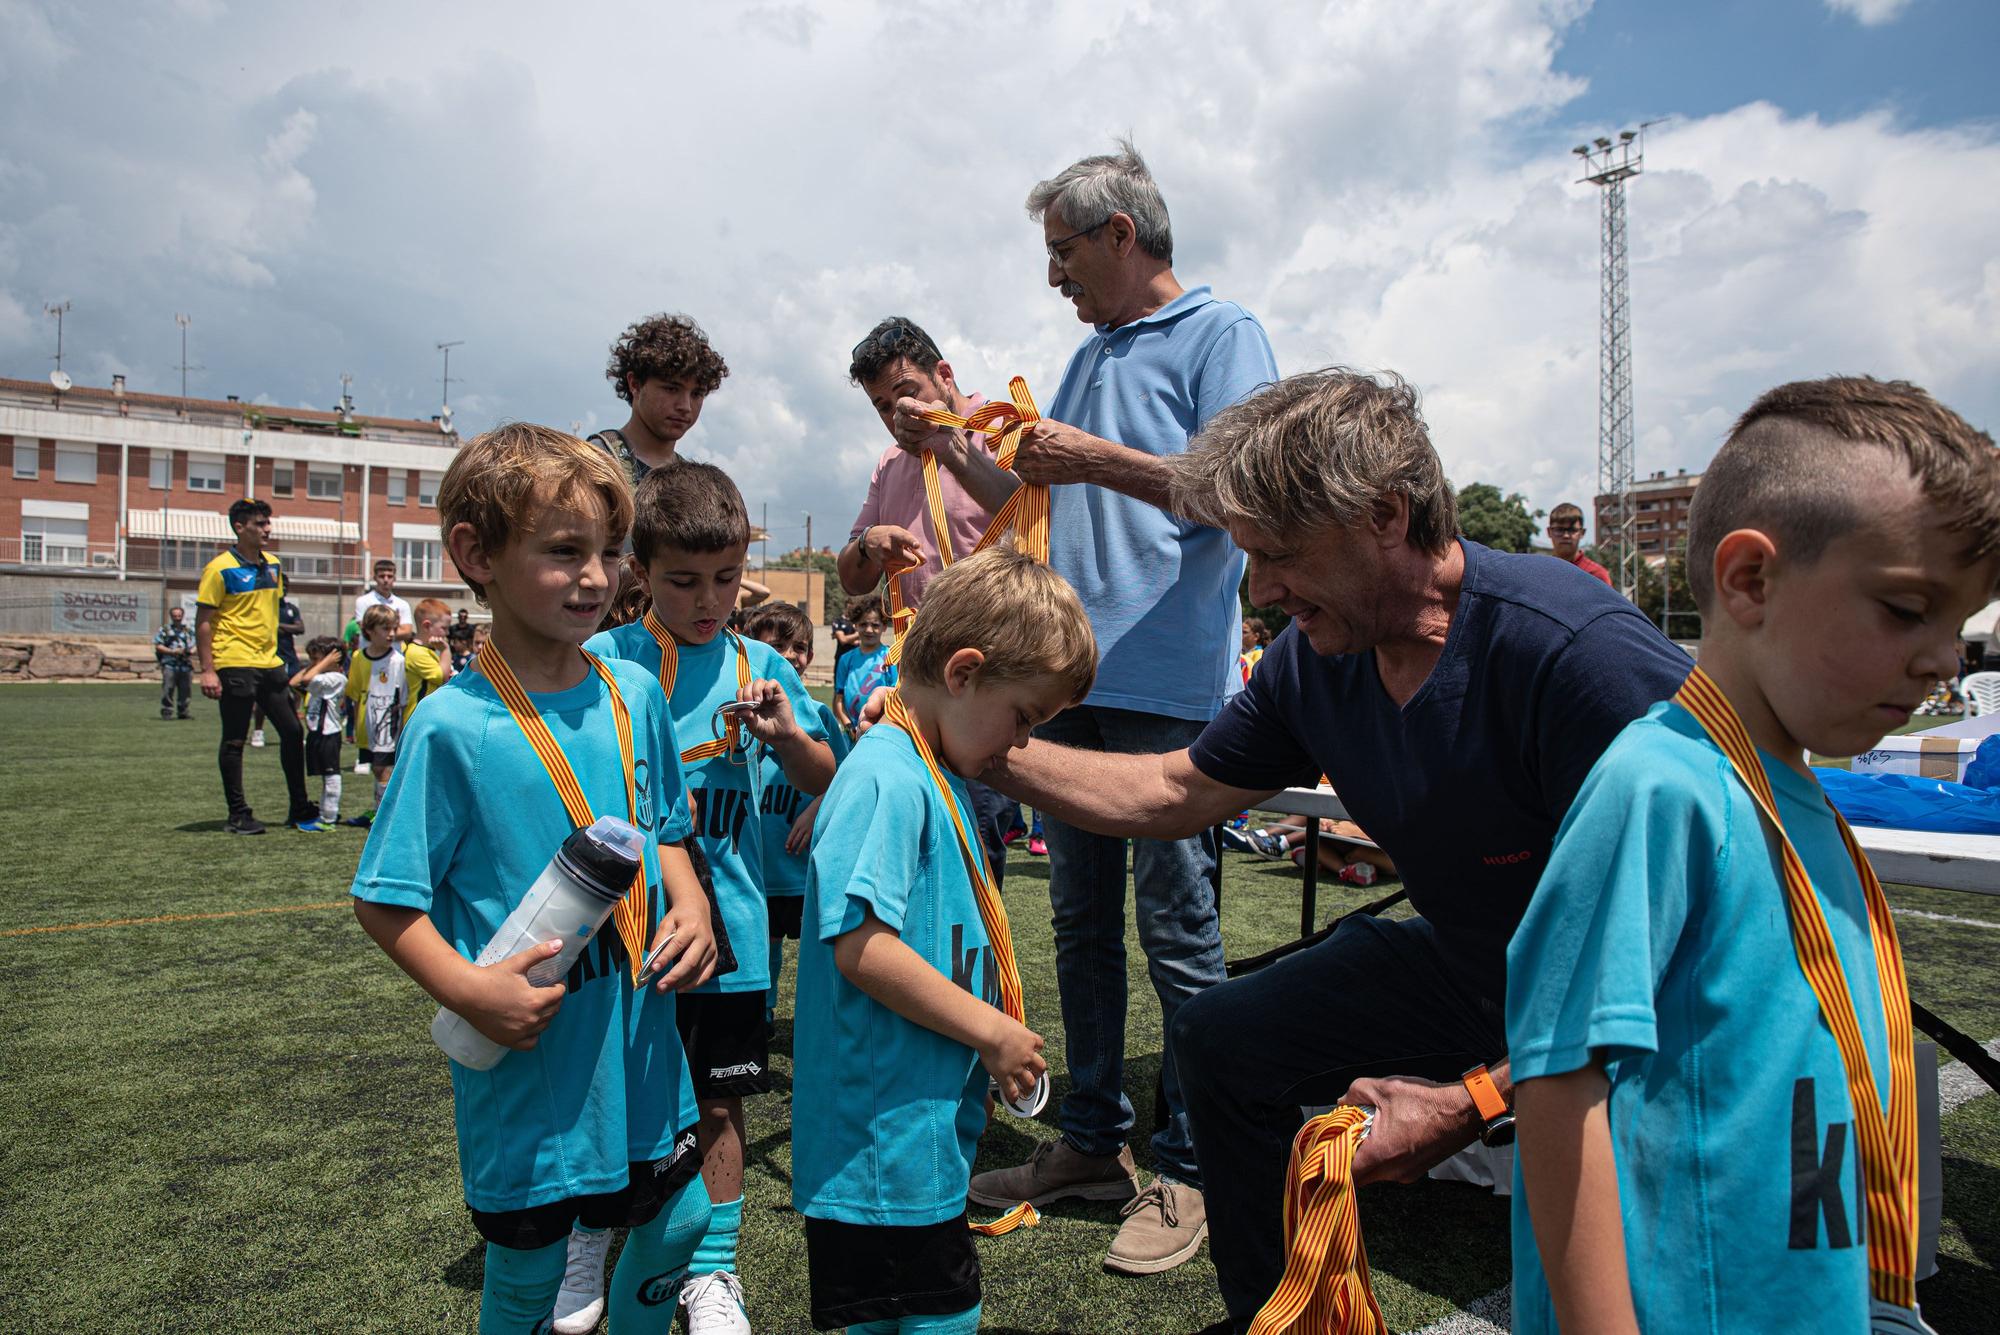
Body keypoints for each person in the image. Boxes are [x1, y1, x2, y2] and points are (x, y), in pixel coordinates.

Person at [981, 366, 1693, 1330]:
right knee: (1218, 1036)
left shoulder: (1577, 653)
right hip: (1484, 967)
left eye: (1277, 554)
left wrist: (1474, 1098)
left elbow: (1693, 949)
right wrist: (993, 751)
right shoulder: (1318, 659)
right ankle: (1275, 1314)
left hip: (1648, 1008)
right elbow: (1174, 788)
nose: (1261, 590)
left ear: (1386, 516)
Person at [1509, 378, 1999, 1335]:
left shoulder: (1798, 789)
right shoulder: (1661, 785)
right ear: (1750, 582)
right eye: (1908, 609)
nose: (1945, 659)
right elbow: (1560, 1083)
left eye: (1959, 624)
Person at [965, 139, 1280, 1276]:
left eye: (1061, 252)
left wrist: (1094, 458)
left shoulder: (1220, 333)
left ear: (1118, 236)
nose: (1052, 276)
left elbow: (1247, 492)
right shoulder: (1086, 351)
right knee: (1082, 925)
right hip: (1074, 680)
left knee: (1180, 929)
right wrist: (959, 451)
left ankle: (1196, 1163)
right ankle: (1092, 1142)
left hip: (1166, 690)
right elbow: (1043, 503)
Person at [351, 422, 719, 1334]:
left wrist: (693, 901)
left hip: (642, 1047)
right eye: (564, 551)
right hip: (534, 1067)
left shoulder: (634, 693)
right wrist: (472, 990)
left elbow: (665, 828)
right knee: (528, 1273)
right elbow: (384, 900)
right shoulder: (453, 727)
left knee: (683, 1219)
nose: (598, 576)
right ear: (475, 554)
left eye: (610, 552)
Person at [793, 545, 1097, 1335]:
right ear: (963, 673)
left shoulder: (932, 770)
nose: (1021, 743)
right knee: (942, 1318)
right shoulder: (888, 775)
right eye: (1023, 716)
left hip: (914, 1139)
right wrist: (992, 1029)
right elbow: (861, 946)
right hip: (880, 1149)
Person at [584, 460, 836, 1335]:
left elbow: (823, 779)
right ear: (639, 573)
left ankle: (714, 1271)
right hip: (625, 937)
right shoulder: (608, 659)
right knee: (617, 1091)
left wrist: (786, 735)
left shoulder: (760, 663)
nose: (708, 599)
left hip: (731, 932)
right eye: (684, 580)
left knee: (722, 1100)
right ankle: (594, 1236)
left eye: (726, 579)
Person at [840, 316, 1024, 884]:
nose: (896, 416)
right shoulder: (889, 465)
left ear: (944, 375)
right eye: (880, 406)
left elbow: (1033, 519)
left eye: (906, 394)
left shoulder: (1005, 429)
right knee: (917, 841)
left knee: (977, 843)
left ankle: (975, 965)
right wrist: (869, 544)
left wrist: (945, 444)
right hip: (917, 683)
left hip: (989, 679)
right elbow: (851, 578)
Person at [741, 601, 851, 1032]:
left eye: (801, 647)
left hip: (804, 866)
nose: (791, 656)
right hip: (761, 863)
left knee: (816, 947)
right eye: (778, 645)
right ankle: (762, 1015)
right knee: (762, 945)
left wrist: (815, 807)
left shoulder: (821, 717)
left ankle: (818, 1021)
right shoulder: (739, 715)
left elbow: (845, 778)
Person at [196, 497, 318, 836]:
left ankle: (299, 806)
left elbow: (269, 615)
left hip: (270, 663)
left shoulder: (274, 566)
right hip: (234, 662)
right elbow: (204, 621)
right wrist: (207, 669)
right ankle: (238, 814)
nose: (267, 528)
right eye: (260, 523)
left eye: (268, 522)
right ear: (239, 527)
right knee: (235, 740)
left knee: (293, 732)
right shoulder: (219, 569)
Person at [593, 313, 730, 486]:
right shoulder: (594, 465)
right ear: (635, 384)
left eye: (696, 394)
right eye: (672, 389)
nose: (685, 406)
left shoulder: (693, 484)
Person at [291, 635, 349, 829]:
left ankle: (329, 818)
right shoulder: (321, 675)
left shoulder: (336, 678)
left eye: (317, 659)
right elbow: (293, 682)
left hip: (329, 734)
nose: (313, 663)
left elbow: (306, 679)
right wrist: (317, 664)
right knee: (325, 777)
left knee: (332, 776)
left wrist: (323, 664)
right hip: (317, 733)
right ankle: (325, 814)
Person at [832, 595, 895, 738]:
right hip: (852, 733)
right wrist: (848, 726)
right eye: (863, 624)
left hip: (881, 732)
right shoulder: (845, 659)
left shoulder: (891, 657)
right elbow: (839, 700)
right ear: (855, 625)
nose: (869, 630)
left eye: (875, 625)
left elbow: (896, 698)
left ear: (884, 626)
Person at [251, 592, 307, 748]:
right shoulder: (263, 607)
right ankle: (258, 731)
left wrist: (277, 626)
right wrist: (287, 628)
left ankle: (294, 729)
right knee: (264, 695)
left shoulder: (291, 609)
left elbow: (300, 628)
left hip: (289, 656)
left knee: (296, 690)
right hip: (269, 656)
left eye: (286, 587)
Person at [1546, 502, 1612, 585]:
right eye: (1559, 529)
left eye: (1572, 530)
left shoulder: (1596, 576)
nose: (1566, 535)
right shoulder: (1541, 573)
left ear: (1582, 533)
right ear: (1549, 532)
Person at [354, 559, 415, 638]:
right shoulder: (363, 601)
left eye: (390, 576)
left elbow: (407, 632)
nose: (386, 580)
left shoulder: (402, 604)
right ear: (375, 578)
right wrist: (394, 629)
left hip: (394, 650)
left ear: (394, 578)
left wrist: (379, 631)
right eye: (382, 576)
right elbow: (366, 630)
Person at [154, 605, 195, 720]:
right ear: (171, 616)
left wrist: (189, 652)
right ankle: (167, 711)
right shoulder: (165, 630)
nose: (177, 618)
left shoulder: (189, 630)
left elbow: (195, 644)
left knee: (185, 690)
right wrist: (172, 651)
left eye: (179, 615)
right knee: (168, 688)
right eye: (175, 615)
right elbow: (158, 645)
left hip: (185, 665)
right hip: (169, 664)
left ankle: (183, 711)